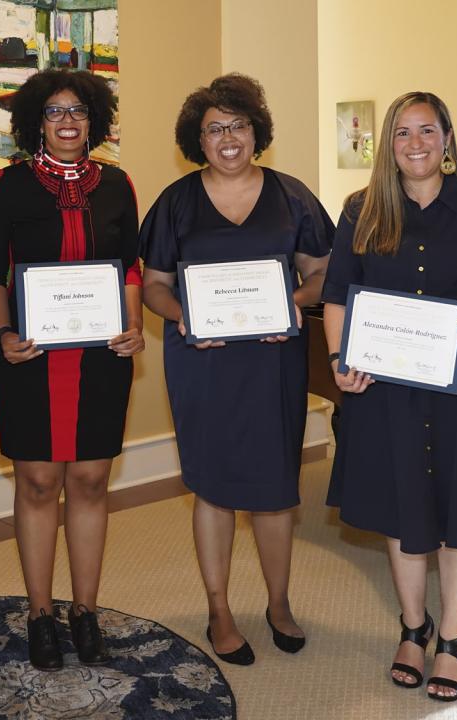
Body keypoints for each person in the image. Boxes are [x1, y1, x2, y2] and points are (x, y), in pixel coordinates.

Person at [321, 91, 457, 702]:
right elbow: (338, 292)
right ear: (388, 145)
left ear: (447, 137)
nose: (415, 144)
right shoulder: (361, 209)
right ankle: (411, 629)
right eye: (402, 133)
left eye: (426, 131)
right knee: (402, 508)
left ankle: (451, 639)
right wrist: (338, 360)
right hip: (386, 385)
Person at [140, 74, 332, 667]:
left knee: (276, 490)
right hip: (202, 363)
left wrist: (293, 304)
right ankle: (219, 608)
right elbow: (153, 286)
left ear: (257, 131)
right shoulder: (176, 201)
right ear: (197, 138)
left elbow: (323, 273)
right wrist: (186, 320)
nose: (228, 138)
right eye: (214, 129)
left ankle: (279, 603)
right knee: (214, 488)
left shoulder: (291, 195)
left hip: (273, 359)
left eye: (238, 126)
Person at [0, 69, 144, 671]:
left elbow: (129, 268)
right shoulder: (8, 185)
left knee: (92, 483)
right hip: (30, 360)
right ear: (35, 122)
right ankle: (41, 612)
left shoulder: (119, 184)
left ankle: (86, 610)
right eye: (53, 112)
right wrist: (4, 332)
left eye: (78, 110)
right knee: (40, 484)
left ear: (94, 119)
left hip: (102, 358)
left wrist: (133, 325)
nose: (67, 121)